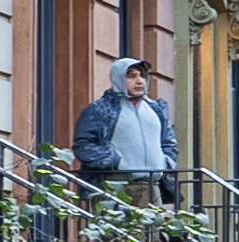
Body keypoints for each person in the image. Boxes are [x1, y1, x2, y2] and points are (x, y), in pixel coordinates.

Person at [72, 56, 178, 199]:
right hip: (117, 186)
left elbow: (169, 142)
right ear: (118, 78)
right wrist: (115, 163)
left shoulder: (156, 109)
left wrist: (165, 163)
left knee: (153, 215)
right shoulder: (100, 109)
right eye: (132, 76)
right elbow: (84, 145)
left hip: (153, 185)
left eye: (142, 76)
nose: (139, 81)